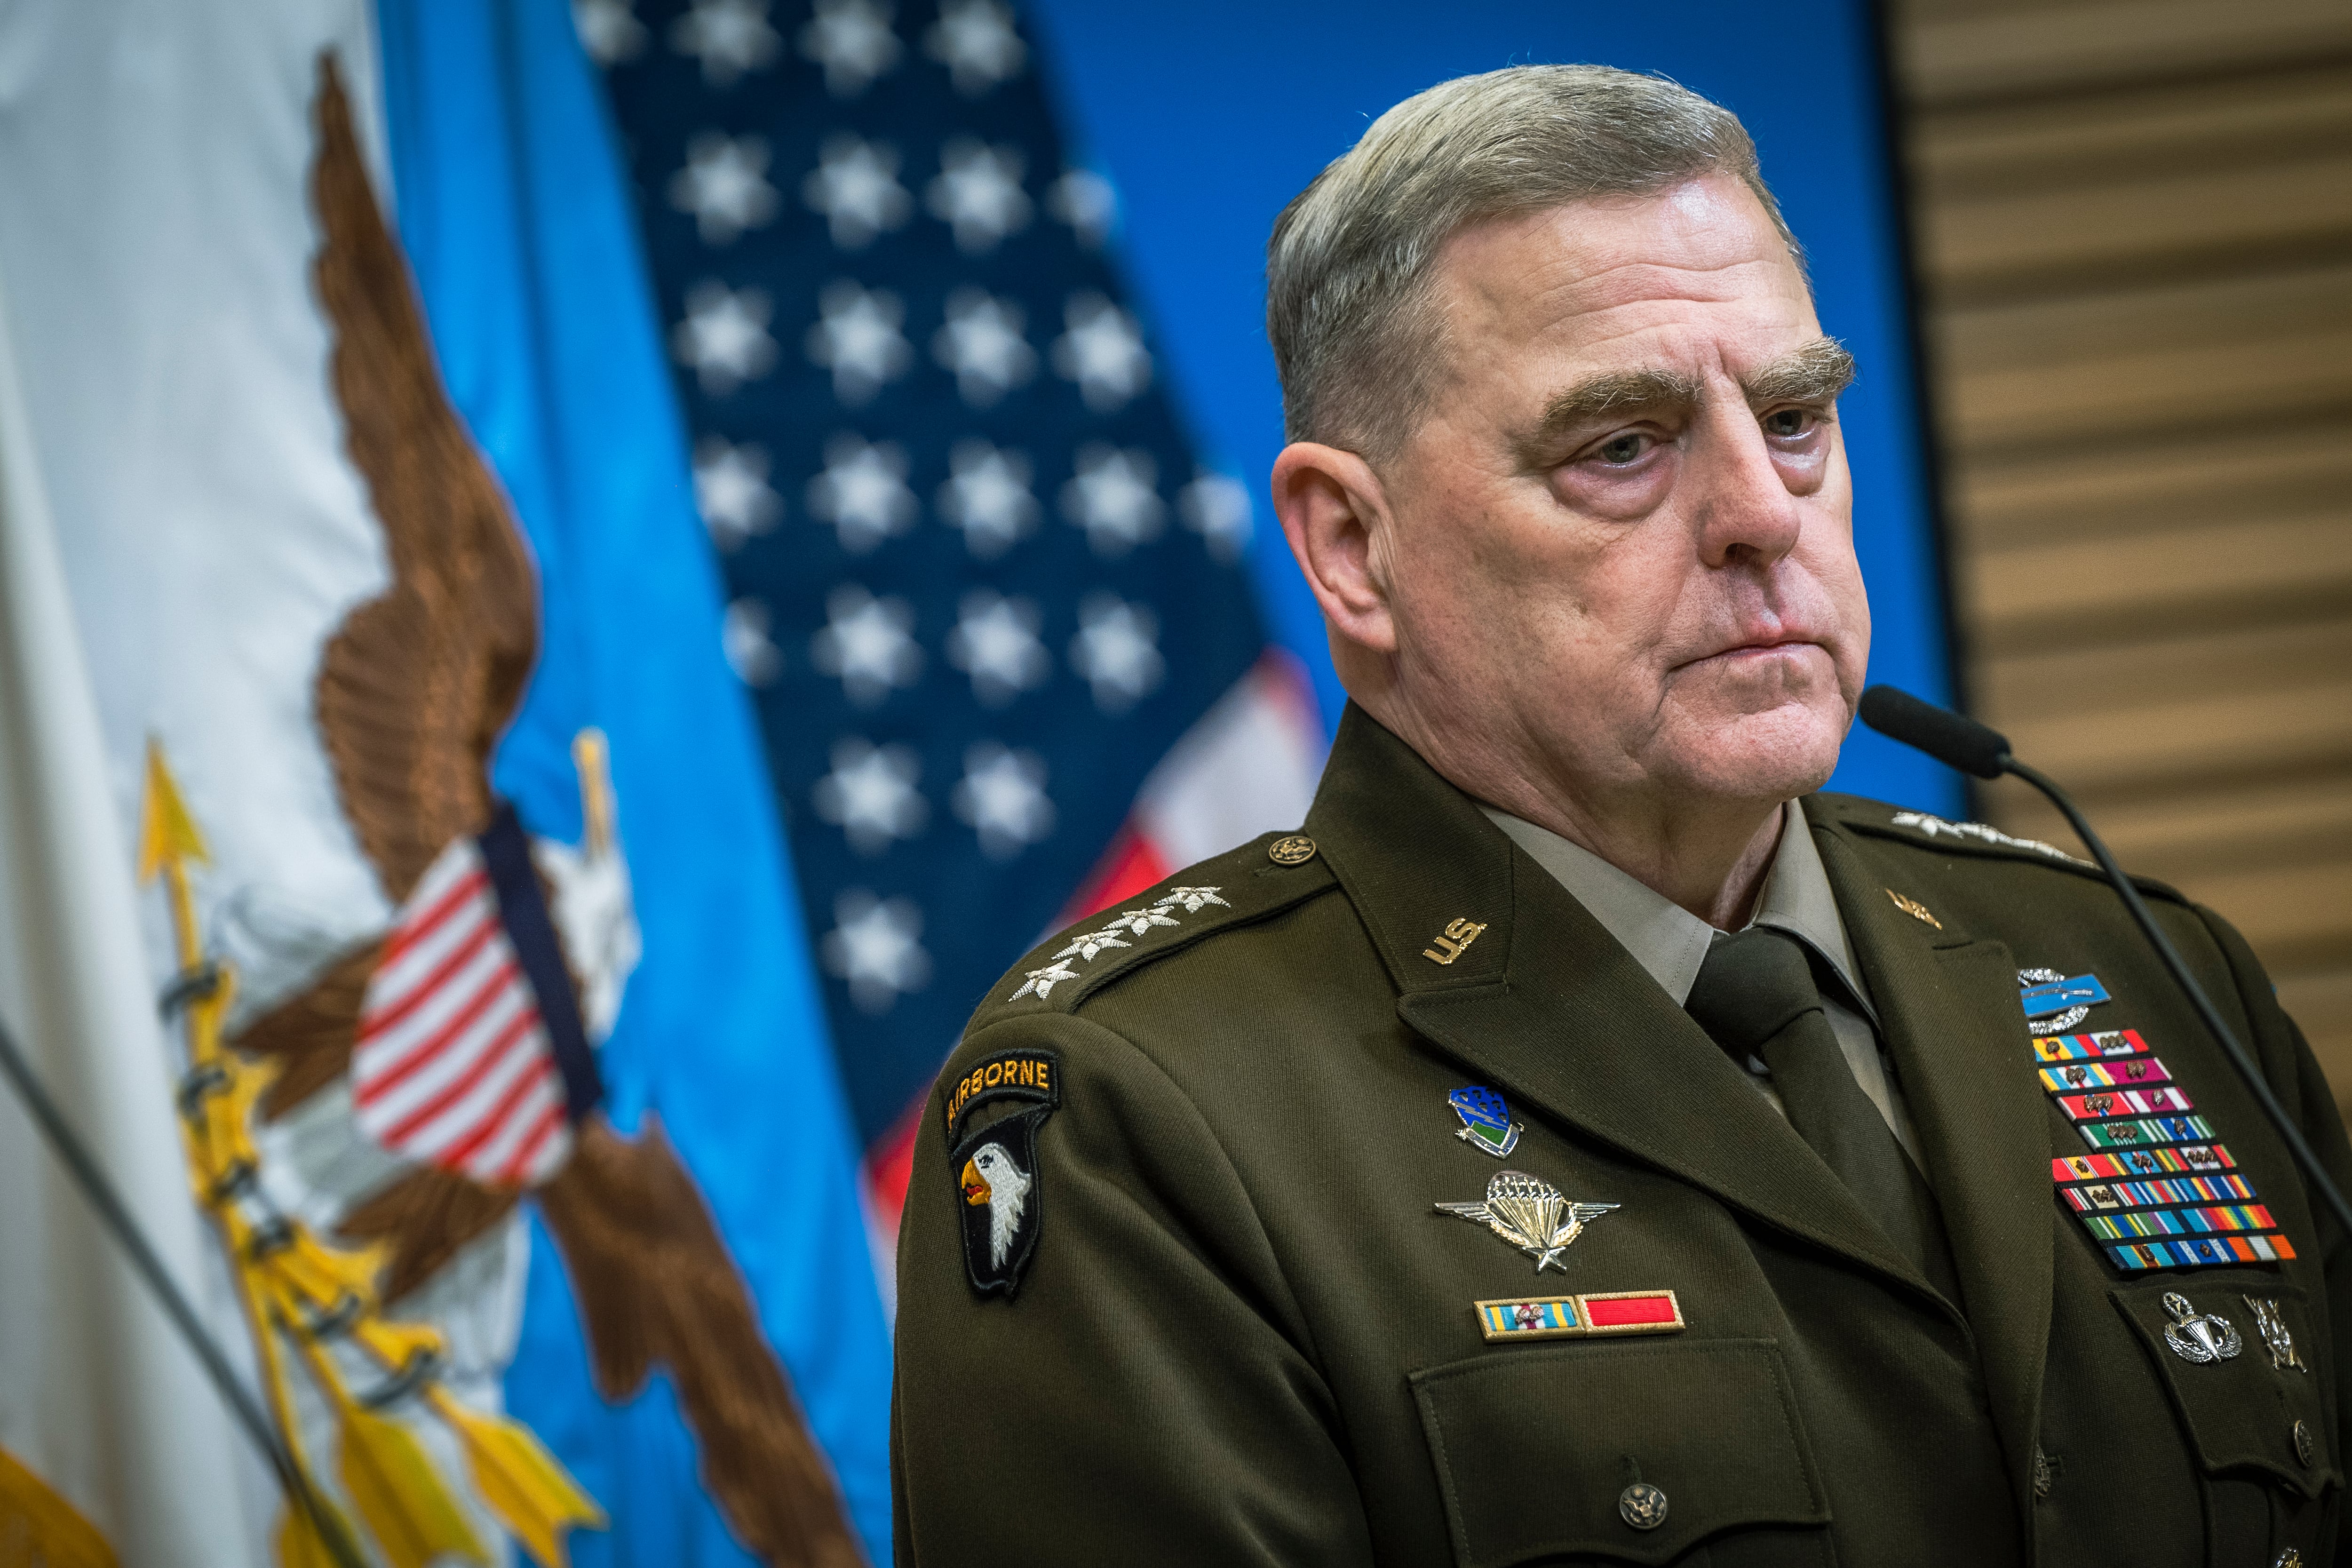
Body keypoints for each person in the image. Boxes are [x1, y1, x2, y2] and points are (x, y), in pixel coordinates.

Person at [891, 65, 2349, 1566]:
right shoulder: (1140, 1113)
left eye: (1792, 416)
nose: (1761, 513)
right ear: (1352, 549)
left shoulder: (2141, 970)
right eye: (1622, 447)